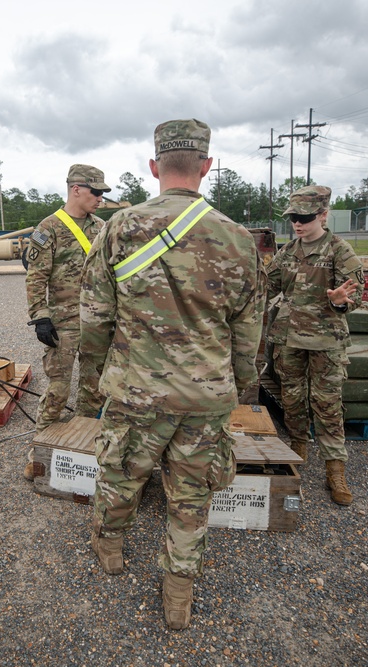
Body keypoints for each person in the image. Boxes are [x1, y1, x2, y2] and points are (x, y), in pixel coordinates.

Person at [79, 119, 264, 630]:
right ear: (206, 167)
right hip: (205, 399)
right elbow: (249, 332)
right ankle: (178, 591)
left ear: (155, 167)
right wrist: (238, 385)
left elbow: (93, 317)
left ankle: (111, 548)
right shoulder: (239, 239)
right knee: (191, 494)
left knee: (120, 472)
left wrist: (99, 374)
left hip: (136, 391)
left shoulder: (118, 228)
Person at [266, 185, 363, 506]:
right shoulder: (288, 251)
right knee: (292, 397)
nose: (297, 223)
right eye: (293, 217)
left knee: (327, 402)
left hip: (326, 341)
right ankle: (297, 449)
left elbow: (355, 294)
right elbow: (268, 285)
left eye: (305, 217)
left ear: (323, 215)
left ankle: (335, 467)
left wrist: (339, 301)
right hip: (289, 338)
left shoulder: (339, 251)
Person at [23, 164, 108, 479]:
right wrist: (40, 316)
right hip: (63, 323)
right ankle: (40, 449)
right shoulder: (50, 227)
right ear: (76, 189)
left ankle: (82, 447)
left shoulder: (102, 227)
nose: (100, 199)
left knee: (94, 388)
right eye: (95, 192)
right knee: (58, 388)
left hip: (97, 322)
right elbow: (36, 278)